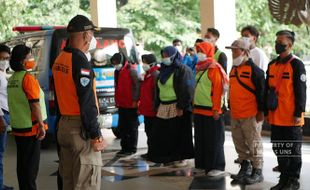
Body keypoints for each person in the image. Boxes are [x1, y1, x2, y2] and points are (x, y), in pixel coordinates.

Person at [52, 15, 107, 190]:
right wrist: (95, 134)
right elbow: (86, 101)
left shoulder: (60, 59)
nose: (93, 38)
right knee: (86, 183)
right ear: (85, 35)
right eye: (91, 33)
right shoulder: (80, 60)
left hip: (64, 127)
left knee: (68, 181)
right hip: (80, 130)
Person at [266, 30, 306, 190]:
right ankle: (283, 178)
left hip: (291, 118)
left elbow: (301, 91)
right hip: (276, 117)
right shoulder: (272, 65)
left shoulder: (297, 64)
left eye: (280, 42)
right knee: (279, 148)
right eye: (276, 42)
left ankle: (293, 180)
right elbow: (267, 91)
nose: (277, 45)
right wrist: (266, 111)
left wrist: (299, 112)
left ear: (290, 45)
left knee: (293, 151)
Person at [7, 44, 48, 190]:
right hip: (32, 129)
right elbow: (34, 104)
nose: (32, 58)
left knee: (23, 168)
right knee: (31, 171)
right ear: (22, 61)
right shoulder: (27, 78)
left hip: (19, 128)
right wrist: (41, 126)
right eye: (29, 56)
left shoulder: (12, 79)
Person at [225, 38, 265, 184]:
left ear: (245, 52)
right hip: (235, 114)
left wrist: (261, 111)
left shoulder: (255, 71)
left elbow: (262, 93)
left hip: (250, 114)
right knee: (239, 143)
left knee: (254, 143)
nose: (233, 54)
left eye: (235, 50)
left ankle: (257, 171)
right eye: (232, 50)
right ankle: (245, 167)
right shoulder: (233, 69)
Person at [151, 46, 195, 167]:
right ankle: (168, 156)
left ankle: (181, 157)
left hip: (177, 106)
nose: (164, 58)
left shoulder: (182, 70)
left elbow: (187, 89)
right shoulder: (163, 70)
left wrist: (181, 106)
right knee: (164, 133)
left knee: (179, 133)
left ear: (174, 55)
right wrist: (157, 104)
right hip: (164, 106)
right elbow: (158, 89)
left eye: (167, 55)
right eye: (163, 56)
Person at [193, 41, 228, 176]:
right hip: (199, 109)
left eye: (201, 51)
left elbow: (217, 90)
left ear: (208, 52)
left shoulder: (214, 68)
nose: (199, 53)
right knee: (201, 139)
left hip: (211, 110)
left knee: (214, 139)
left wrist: (216, 109)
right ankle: (202, 164)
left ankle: (216, 166)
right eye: (198, 51)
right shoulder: (200, 67)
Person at [111, 52, 140, 156]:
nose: (115, 65)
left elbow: (137, 87)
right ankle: (124, 148)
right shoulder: (116, 72)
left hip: (131, 104)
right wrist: (117, 101)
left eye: (117, 63)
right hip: (121, 104)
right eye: (113, 63)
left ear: (122, 61)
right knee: (122, 127)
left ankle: (132, 148)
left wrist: (135, 101)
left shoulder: (131, 70)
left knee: (132, 127)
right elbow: (117, 87)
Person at [138, 54, 159, 160]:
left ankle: (155, 153)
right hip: (147, 109)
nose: (143, 64)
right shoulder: (147, 74)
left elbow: (156, 92)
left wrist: (155, 106)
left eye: (145, 62)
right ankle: (151, 152)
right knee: (148, 132)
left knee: (154, 134)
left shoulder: (155, 74)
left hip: (153, 109)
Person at [0, 44, 13, 190]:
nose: (5, 61)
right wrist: (1, 118)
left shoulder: (3, 73)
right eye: (2, 58)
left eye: (7, 58)